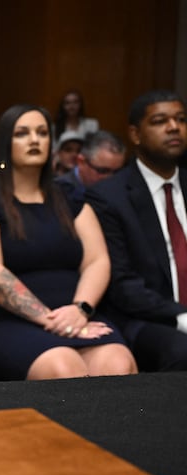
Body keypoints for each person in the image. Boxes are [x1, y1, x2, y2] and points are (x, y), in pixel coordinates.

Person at [0, 104, 137, 380]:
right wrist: (51, 319)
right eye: (22, 133)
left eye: (41, 133)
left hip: (77, 314)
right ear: (5, 143)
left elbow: (97, 261)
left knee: (118, 363)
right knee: (62, 367)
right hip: (7, 319)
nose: (34, 140)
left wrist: (80, 310)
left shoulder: (69, 195)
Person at [86, 90, 187, 372]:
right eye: (160, 121)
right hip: (145, 318)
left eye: (181, 119)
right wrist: (182, 316)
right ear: (135, 134)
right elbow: (123, 285)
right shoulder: (108, 196)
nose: (173, 127)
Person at [57, 130, 126, 193]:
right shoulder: (57, 190)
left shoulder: (122, 190)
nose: (111, 179)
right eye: (103, 171)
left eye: (117, 172)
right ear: (81, 162)